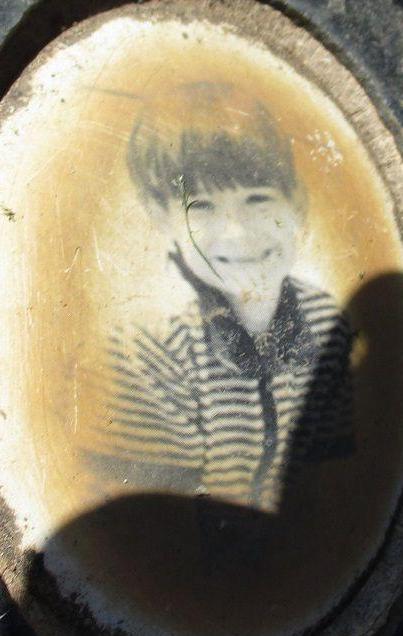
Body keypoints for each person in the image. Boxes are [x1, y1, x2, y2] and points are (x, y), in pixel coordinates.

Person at [104, 81, 354, 513]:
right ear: (160, 216)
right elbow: (153, 522)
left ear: (295, 202)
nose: (238, 232)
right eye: (200, 206)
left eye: (258, 197)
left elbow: (330, 491)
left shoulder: (325, 320)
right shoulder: (150, 347)